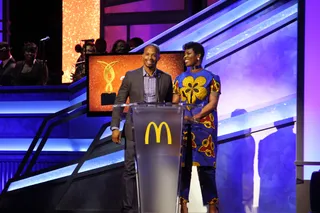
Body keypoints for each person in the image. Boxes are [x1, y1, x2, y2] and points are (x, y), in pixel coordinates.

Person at [111, 44, 173, 213]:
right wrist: (115, 127)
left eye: (154, 55)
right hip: (133, 129)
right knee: (130, 170)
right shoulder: (131, 76)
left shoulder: (166, 79)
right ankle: (128, 209)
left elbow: (169, 106)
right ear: (142, 56)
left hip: (156, 131)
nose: (150, 58)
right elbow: (119, 102)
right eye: (147, 54)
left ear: (159, 57)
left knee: (154, 170)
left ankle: (153, 206)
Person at [172, 42, 221, 213]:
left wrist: (197, 116)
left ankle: (212, 206)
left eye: (188, 54)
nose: (184, 57)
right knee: (183, 165)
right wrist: (178, 113)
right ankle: (183, 204)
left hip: (204, 126)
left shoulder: (212, 78)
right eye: (184, 54)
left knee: (206, 166)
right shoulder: (178, 79)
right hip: (184, 125)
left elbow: (213, 103)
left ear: (198, 56)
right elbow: (175, 102)